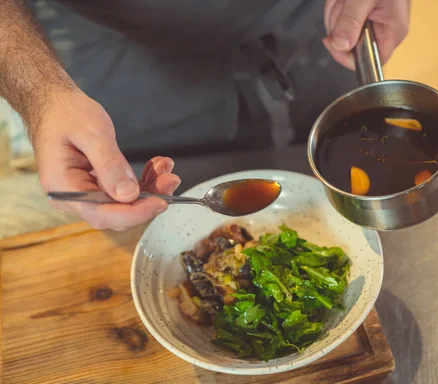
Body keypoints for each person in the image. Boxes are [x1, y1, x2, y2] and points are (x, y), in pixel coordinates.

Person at [0, 0, 410, 231]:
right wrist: (41, 92)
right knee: (146, 204)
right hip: (109, 60)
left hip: (310, 30)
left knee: (340, 180)